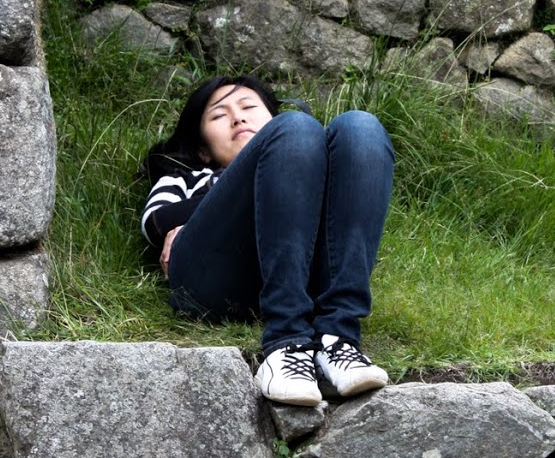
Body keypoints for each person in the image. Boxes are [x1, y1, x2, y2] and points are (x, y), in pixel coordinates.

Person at [141, 73, 394, 407]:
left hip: (306, 275)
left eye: (248, 106)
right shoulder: (188, 178)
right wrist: (269, 163)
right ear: (202, 150)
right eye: (219, 114)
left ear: (269, 118)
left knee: (362, 127)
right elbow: (156, 221)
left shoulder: (317, 169)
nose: (238, 117)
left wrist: (291, 165)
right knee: (298, 128)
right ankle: (286, 344)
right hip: (215, 280)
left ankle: (338, 339)